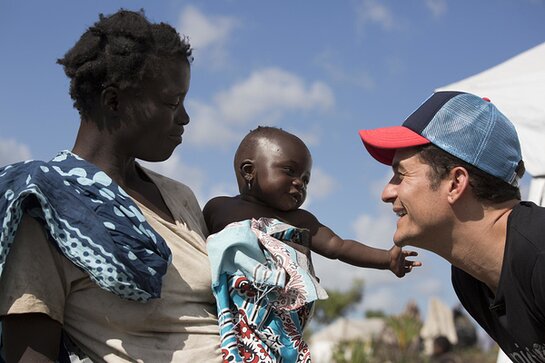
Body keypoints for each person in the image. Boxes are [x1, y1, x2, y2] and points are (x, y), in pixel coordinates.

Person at [0, 9, 221, 362]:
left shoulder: (180, 197)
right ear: (114, 101)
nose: (184, 117)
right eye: (172, 102)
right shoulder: (48, 207)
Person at [203, 126, 421, 362]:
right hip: (230, 313)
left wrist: (387, 259)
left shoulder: (300, 221)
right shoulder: (219, 209)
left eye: (305, 179)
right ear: (249, 171)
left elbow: (339, 246)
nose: (299, 183)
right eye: (289, 171)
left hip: (279, 323)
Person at [359, 91, 545, 360]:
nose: (386, 193)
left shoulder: (540, 254)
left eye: (401, 175)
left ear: (456, 183)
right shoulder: (469, 278)